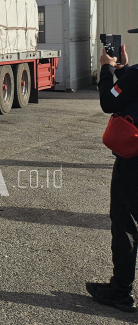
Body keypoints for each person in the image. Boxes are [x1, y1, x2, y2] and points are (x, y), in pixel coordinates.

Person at [87, 36, 138, 313]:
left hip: (133, 163)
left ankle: (121, 290)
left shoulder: (136, 77)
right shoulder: (133, 76)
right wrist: (124, 71)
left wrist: (107, 69)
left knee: (124, 222)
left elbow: (109, 101)